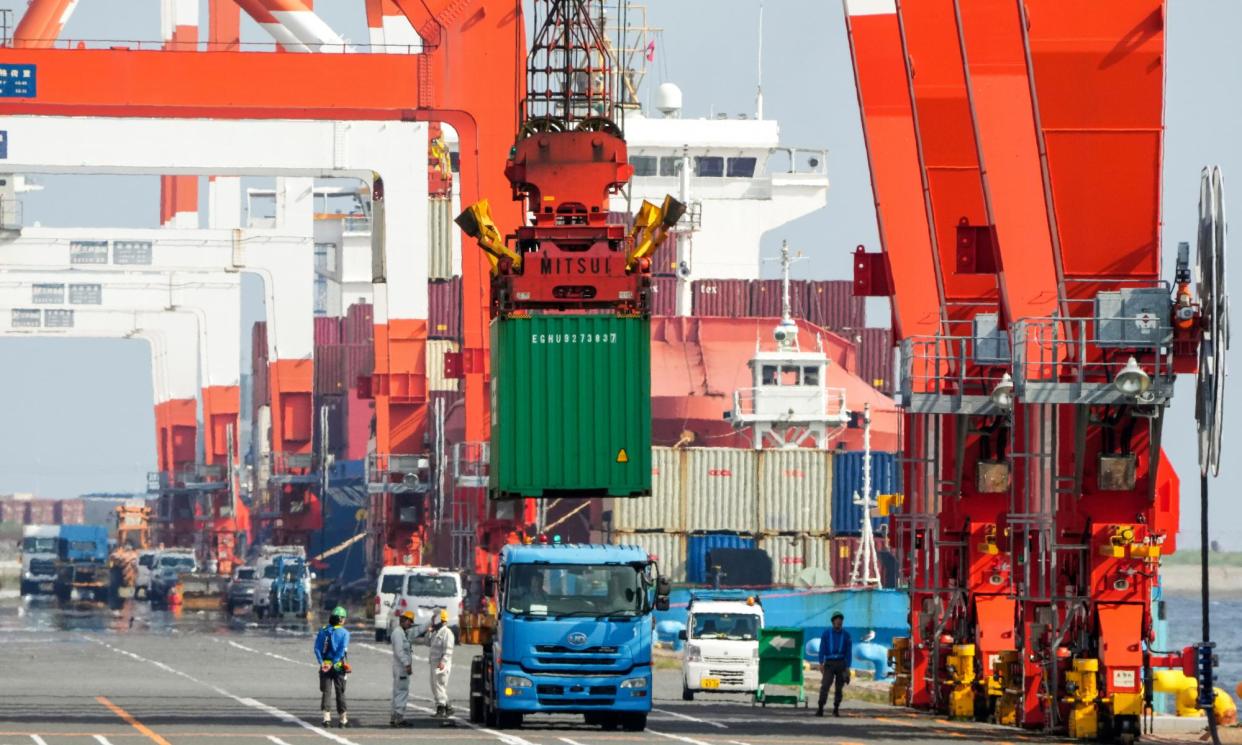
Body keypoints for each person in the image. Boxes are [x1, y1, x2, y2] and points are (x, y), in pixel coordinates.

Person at [314, 606, 351, 728]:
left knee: (326, 691)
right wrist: (334, 662)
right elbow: (341, 651)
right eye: (344, 618)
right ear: (340, 619)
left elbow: (317, 649)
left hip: (325, 664)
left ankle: (326, 718)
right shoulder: (345, 633)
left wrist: (322, 662)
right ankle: (343, 719)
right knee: (340, 691)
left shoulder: (323, 631)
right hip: (339, 665)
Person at [817, 611, 852, 717]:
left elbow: (848, 652)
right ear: (833, 622)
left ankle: (836, 708)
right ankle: (820, 708)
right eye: (836, 620)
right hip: (829, 663)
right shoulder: (826, 634)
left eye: (840, 620)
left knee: (839, 688)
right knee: (825, 685)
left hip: (841, 663)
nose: (839, 621)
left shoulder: (846, 635)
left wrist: (847, 667)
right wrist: (821, 663)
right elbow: (822, 648)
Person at [390, 610, 416, 727]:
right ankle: (398, 718)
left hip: (399, 667)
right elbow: (399, 651)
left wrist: (429, 623)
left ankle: (394, 717)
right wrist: (407, 664)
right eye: (409, 621)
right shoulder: (398, 633)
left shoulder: (402, 632)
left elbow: (417, 630)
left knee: (397, 691)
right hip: (401, 668)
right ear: (403, 620)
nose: (410, 624)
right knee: (402, 692)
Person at [428, 607, 456, 718]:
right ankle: (448, 707)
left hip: (441, 663)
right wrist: (429, 633)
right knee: (435, 685)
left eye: (434, 617)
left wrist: (443, 662)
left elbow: (448, 650)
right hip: (434, 662)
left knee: (439, 684)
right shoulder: (436, 632)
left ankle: (441, 708)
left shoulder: (447, 633)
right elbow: (427, 642)